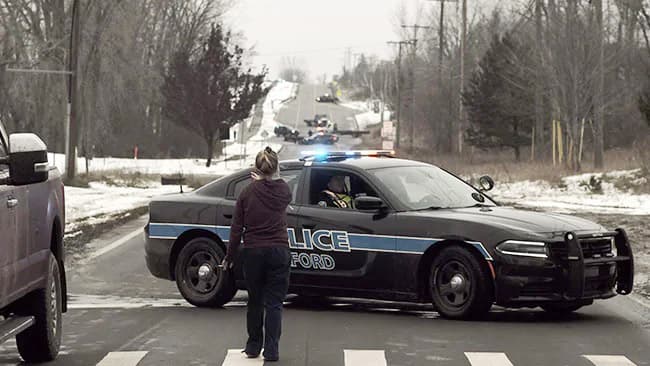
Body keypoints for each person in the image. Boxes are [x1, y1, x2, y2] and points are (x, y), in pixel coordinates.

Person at [222, 147, 292, 362]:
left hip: (253, 252)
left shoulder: (246, 193)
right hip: (279, 251)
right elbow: (276, 187)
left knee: (255, 301)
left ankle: (253, 346)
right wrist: (264, 179)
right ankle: (272, 350)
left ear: (256, 168)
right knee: (274, 303)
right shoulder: (284, 191)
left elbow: (236, 229)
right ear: (276, 168)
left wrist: (229, 257)